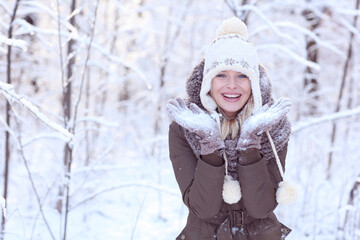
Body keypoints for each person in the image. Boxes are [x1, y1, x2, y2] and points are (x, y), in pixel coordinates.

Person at [166, 17, 296, 240]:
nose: (232, 85)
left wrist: (249, 144)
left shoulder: (272, 127)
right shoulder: (185, 129)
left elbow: (261, 208)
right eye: (221, 75)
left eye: (242, 76)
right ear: (208, 81)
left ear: (253, 82)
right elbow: (203, 209)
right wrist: (209, 146)